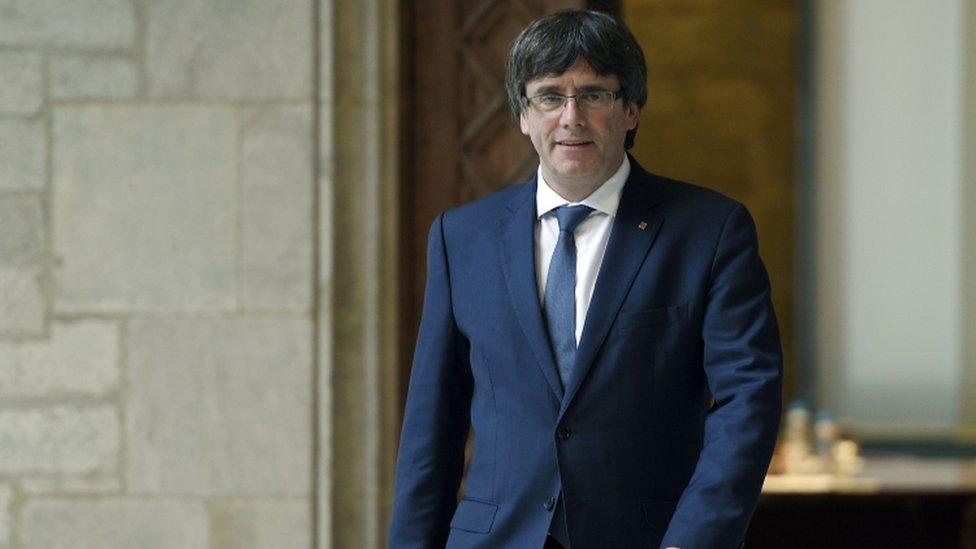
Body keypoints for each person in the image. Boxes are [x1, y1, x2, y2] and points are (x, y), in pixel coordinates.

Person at [389, 10, 782, 549]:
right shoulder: (462, 238)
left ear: (631, 110)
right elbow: (431, 426)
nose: (570, 117)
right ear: (523, 116)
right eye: (550, 96)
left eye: (594, 95)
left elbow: (748, 402)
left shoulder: (710, 231)